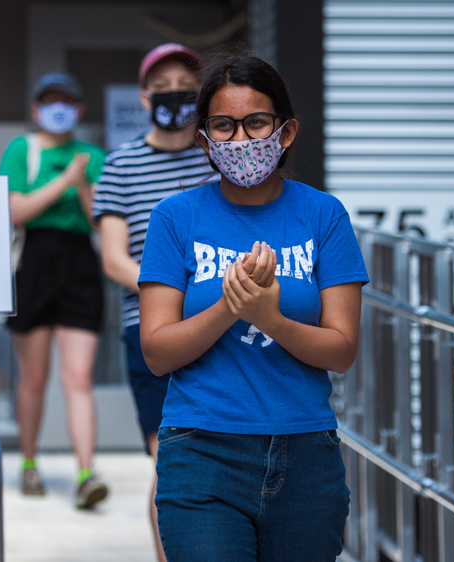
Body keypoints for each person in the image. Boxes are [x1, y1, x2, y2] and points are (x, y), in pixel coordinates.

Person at [137, 47, 369, 561]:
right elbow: (157, 352)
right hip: (201, 451)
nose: (241, 139)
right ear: (204, 139)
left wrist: (272, 320)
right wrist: (231, 305)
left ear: (285, 132)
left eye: (256, 122)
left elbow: (342, 350)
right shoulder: (174, 218)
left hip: (306, 454)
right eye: (223, 125)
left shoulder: (324, 215)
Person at [93, 43, 216, 562]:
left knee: (216, 454)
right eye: (162, 88)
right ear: (144, 99)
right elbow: (113, 257)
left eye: (184, 86)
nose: (174, 96)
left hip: (220, 326)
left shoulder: (218, 157)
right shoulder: (121, 165)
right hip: (148, 329)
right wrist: (169, 290)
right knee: (169, 459)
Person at [0, 71, 110, 509]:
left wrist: (81, 182)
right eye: (50, 100)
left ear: (79, 110)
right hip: (34, 265)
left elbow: (101, 219)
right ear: (35, 109)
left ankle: (86, 471)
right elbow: (15, 211)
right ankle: (29, 463)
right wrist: (64, 181)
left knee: (78, 377)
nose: (58, 108)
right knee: (35, 377)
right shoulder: (21, 150)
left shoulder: (94, 156)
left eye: (67, 100)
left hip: (79, 263)